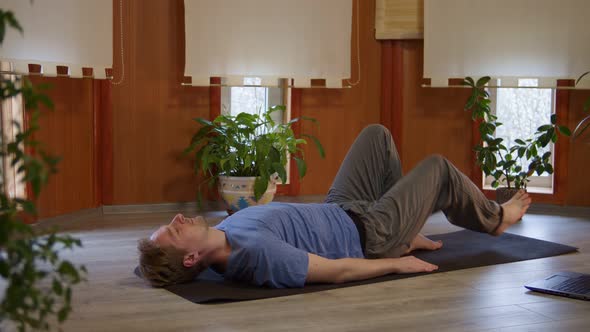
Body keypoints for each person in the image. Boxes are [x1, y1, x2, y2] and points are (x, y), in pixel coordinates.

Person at [138, 124, 531, 288]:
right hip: (370, 234)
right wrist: (395, 262)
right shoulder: (254, 253)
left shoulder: (219, 240)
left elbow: (155, 265)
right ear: (191, 259)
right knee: (439, 169)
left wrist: (150, 263)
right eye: (175, 230)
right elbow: (335, 271)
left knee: (376, 136)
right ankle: (495, 219)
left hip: (341, 207)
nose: (176, 219)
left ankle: (406, 230)